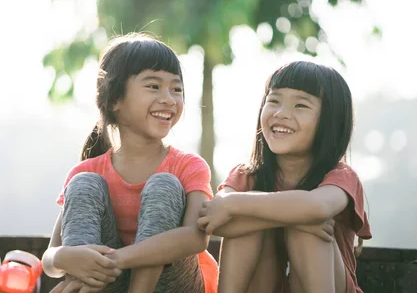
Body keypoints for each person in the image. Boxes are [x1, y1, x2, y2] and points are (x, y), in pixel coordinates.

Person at [42, 33, 218, 293]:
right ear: (115, 100)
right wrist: (63, 258)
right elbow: (50, 257)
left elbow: (196, 237)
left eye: (176, 89)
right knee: (83, 184)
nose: (169, 98)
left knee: (165, 185)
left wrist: (116, 259)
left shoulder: (188, 166)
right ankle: (84, 286)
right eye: (154, 86)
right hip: (106, 282)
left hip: (171, 286)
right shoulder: (87, 169)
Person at [197, 61, 372, 293]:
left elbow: (317, 207)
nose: (281, 114)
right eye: (274, 101)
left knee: (306, 223)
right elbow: (215, 221)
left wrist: (236, 203)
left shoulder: (341, 177)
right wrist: (283, 215)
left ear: (330, 121)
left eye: (300, 105)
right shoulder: (246, 175)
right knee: (264, 222)